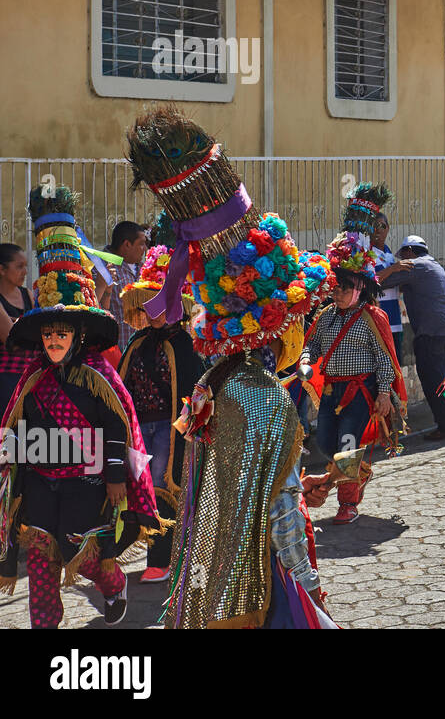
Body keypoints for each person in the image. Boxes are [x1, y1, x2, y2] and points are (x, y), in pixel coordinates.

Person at [125, 110, 334, 629]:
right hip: (261, 588)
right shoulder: (262, 395)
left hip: (212, 581)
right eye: (296, 322)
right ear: (277, 328)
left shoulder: (213, 387)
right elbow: (281, 510)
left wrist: (304, 482)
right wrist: (310, 586)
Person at [0, 186, 164, 628]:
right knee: (39, 564)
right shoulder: (31, 378)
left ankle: (115, 586)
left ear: (78, 336)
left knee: (85, 558)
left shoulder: (99, 377)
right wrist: (10, 471)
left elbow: (117, 428)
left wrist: (114, 478)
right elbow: (16, 430)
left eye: (63, 334)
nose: (54, 340)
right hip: (39, 485)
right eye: (48, 333)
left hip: (86, 486)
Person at [300, 183, 408, 524]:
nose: (339, 292)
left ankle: (348, 503)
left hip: (361, 393)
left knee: (347, 443)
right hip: (332, 390)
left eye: (346, 286)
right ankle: (358, 474)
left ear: (362, 286)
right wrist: (305, 361)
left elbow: (384, 360)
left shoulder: (372, 318)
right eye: (336, 286)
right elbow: (312, 346)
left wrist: (384, 395)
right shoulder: (325, 316)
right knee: (326, 442)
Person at [116, 220, 205, 584]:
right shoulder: (137, 343)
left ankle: (161, 559)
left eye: (158, 305)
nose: (151, 312)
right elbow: (120, 388)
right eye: (147, 306)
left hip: (168, 431)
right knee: (139, 488)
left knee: (162, 487)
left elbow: (196, 389)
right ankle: (131, 548)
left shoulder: (183, 345)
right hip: (140, 430)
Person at [383, 234, 445, 441]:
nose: (401, 261)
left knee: (432, 381)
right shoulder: (433, 265)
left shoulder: (414, 266)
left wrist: (389, 269)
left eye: (402, 256)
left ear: (409, 252)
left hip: (431, 332)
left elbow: (379, 283)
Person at [104, 220, 148, 353]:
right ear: (127, 244)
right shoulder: (103, 268)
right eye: (141, 244)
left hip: (142, 353)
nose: (145, 249)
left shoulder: (144, 268)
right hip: (115, 353)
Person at [0, 243, 35, 408]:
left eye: (25, 266)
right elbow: (11, 341)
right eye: (19, 267)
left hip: (32, 375)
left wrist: (17, 322)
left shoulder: (27, 294)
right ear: (2, 269)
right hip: (8, 378)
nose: (25, 272)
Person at [370, 211, 404, 359]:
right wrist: (393, 268)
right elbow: (369, 281)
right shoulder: (367, 252)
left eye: (381, 226)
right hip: (378, 321)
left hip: (395, 319)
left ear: (388, 228)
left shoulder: (388, 251)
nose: (377, 230)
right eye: (373, 226)